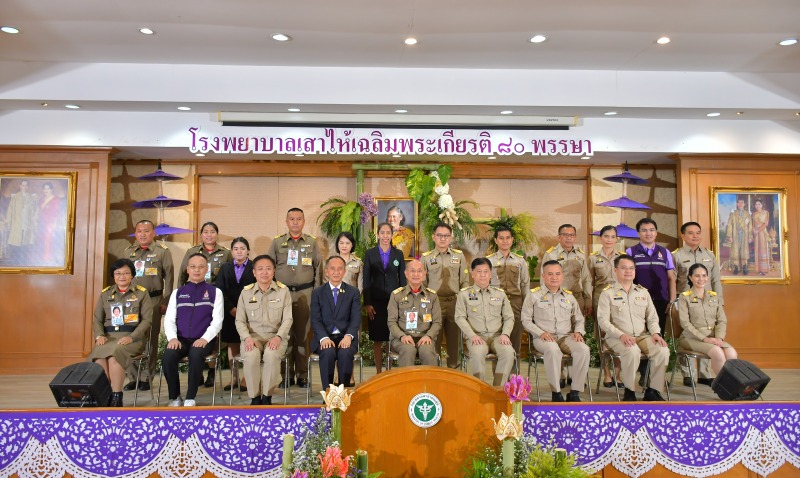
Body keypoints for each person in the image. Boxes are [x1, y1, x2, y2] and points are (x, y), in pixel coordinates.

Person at [597, 255, 669, 401]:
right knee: (632, 350)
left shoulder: (643, 292)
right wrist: (621, 335)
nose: (628, 271)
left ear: (635, 271)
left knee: (662, 350)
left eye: (631, 268)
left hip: (642, 336)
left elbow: (652, 317)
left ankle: (653, 390)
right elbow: (602, 321)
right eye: (624, 268)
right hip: (617, 337)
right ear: (615, 270)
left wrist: (655, 333)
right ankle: (630, 391)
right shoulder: (607, 293)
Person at [267, 208, 322, 389]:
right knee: (284, 335)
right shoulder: (277, 243)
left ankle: (303, 375)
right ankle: (286, 375)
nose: (295, 222)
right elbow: (268, 269)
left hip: (305, 294)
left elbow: (319, 270)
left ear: (304, 221)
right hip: (281, 295)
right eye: (292, 219)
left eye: (299, 219)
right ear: (286, 221)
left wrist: (316, 295)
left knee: (303, 336)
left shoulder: (312, 243)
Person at [521, 260, 589, 402]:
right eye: (550, 274)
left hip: (565, 337)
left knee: (583, 349)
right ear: (543, 276)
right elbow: (525, 320)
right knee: (553, 350)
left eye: (558, 274)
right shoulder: (533, 295)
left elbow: (579, 319)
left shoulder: (569, 297)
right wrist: (541, 333)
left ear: (562, 276)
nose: (554, 277)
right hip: (543, 338)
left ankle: (575, 392)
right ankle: (556, 392)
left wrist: (578, 332)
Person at [88, 259, 153, 407]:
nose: (122, 276)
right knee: (98, 355)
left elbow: (147, 321)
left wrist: (131, 337)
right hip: (108, 337)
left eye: (126, 273)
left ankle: (117, 396)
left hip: (133, 338)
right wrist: (99, 335)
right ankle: (106, 393)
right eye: (118, 273)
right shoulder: (106, 294)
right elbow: (97, 319)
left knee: (114, 354)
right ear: (113, 276)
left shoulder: (142, 294)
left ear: (132, 275)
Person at [162, 253, 224, 407]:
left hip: (203, 339)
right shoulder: (178, 293)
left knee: (196, 354)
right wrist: (172, 339)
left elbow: (217, 321)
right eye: (193, 267)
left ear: (206, 269)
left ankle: (190, 397)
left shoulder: (215, 292)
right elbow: (169, 320)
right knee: (168, 357)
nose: (197, 270)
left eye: (201, 267)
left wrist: (204, 339)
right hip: (181, 340)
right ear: (187, 270)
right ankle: (175, 397)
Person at [123, 219, 174, 392]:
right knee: (130, 337)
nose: (143, 234)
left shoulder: (162, 252)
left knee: (150, 340)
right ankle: (132, 376)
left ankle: (146, 377)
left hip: (153, 300)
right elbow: (123, 276)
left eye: (146, 231)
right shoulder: (128, 251)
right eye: (139, 231)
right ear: (135, 233)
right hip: (131, 301)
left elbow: (169, 278)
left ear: (154, 233)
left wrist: (166, 301)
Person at [671, 221, 724, 386]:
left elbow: (715, 279)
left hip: (707, 301)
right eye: (691, 233)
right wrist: (672, 301)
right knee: (687, 333)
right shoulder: (676, 255)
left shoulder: (709, 254)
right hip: (684, 301)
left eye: (698, 233)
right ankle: (688, 374)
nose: (695, 236)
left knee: (707, 331)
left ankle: (704, 373)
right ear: (683, 236)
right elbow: (671, 280)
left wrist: (720, 301)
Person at [236, 254, 293, 405]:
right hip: (252, 337)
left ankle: (267, 397)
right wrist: (247, 338)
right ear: (254, 272)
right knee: (251, 356)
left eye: (268, 269)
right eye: (260, 269)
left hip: (276, 337)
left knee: (271, 354)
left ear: (274, 271)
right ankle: (255, 398)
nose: (264, 272)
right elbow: (240, 320)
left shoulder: (283, 291)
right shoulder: (245, 292)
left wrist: (279, 337)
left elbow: (288, 319)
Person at [454, 258, 515, 386]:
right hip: (476, 336)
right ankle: (480, 389)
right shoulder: (464, 295)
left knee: (509, 352)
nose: (482, 275)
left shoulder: (500, 294)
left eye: (486, 271)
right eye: (479, 271)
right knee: (476, 353)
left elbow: (509, 317)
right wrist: (472, 336)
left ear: (490, 273)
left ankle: (498, 390)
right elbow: (459, 317)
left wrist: (505, 334)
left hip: (498, 336)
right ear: (472, 273)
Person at [310, 256, 362, 391]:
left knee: (345, 353)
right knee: (327, 352)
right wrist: (324, 337)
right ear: (327, 271)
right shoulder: (317, 292)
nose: (336, 272)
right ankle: (328, 393)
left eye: (340, 269)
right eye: (332, 269)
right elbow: (315, 319)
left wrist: (349, 336)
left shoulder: (353, 292)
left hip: (345, 337)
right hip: (324, 337)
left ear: (344, 272)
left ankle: (341, 393)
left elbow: (356, 318)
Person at [422, 223, 469, 368]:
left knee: (454, 341)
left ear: (451, 237)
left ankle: (453, 371)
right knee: (433, 338)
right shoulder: (426, 258)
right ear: (433, 237)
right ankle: (435, 371)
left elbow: (465, 282)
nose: (443, 239)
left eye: (446, 236)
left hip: (454, 303)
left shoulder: (459, 256)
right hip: (434, 304)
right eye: (440, 235)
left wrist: (463, 304)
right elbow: (423, 284)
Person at [677, 263, 738, 377]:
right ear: (690, 277)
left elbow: (721, 321)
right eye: (697, 276)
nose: (701, 279)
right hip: (691, 337)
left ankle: (732, 386)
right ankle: (725, 387)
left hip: (713, 338)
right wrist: (704, 338)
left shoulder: (713, 296)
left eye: (704, 275)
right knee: (717, 353)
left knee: (731, 352)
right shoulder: (684, 297)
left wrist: (719, 338)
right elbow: (685, 323)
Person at [363, 222, 406, 373]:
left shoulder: (398, 254)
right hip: (375, 302)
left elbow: (403, 280)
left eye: (388, 233)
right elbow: (366, 280)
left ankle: (388, 372)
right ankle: (378, 372)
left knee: (391, 338)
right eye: (383, 233)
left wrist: (403, 301)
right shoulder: (370, 254)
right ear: (378, 234)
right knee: (378, 338)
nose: (386, 236)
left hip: (394, 302)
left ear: (392, 234)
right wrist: (367, 303)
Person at [215, 236, 256, 392]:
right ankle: (233, 377)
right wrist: (231, 309)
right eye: (236, 249)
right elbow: (219, 291)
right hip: (230, 312)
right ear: (231, 251)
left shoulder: (254, 267)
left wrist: (245, 311)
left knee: (247, 344)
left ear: (248, 251)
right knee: (232, 345)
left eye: (243, 248)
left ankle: (246, 378)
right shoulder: (225, 268)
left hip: (250, 314)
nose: (239, 252)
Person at [587, 225, 623, 388]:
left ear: (617, 239)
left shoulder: (622, 257)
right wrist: (588, 301)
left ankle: (618, 374)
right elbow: (588, 281)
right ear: (600, 238)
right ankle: (607, 374)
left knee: (619, 334)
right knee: (602, 336)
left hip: (619, 298)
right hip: (600, 297)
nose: (609, 239)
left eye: (612, 236)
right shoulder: (593, 258)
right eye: (606, 236)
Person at [388, 259, 443, 367]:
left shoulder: (432, 296)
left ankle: (429, 384)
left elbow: (437, 322)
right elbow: (391, 322)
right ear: (406, 274)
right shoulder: (396, 295)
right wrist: (402, 336)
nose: (416, 274)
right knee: (408, 350)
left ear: (424, 274)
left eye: (419, 271)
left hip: (424, 337)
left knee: (427, 352)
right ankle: (407, 384)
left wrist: (429, 336)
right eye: (412, 271)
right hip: (403, 338)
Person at [487, 225, 530, 358]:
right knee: (498, 339)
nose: (505, 241)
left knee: (515, 338)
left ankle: (514, 377)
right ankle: (499, 378)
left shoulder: (520, 261)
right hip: (496, 303)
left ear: (512, 240)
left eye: (507, 238)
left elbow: (525, 284)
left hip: (516, 302)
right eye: (501, 238)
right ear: (495, 240)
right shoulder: (489, 261)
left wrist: (527, 307)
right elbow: (485, 285)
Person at [541, 224, 592, 316]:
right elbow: (543, 279)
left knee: (578, 327)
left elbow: (586, 279)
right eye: (565, 235)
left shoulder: (580, 255)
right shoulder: (550, 255)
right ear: (559, 237)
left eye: (571, 235)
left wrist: (588, 300)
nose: (569, 238)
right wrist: (545, 299)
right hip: (557, 298)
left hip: (577, 298)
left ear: (575, 237)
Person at [178, 221, 232, 286]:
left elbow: (231, 276)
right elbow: (182, 275)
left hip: (218, 291)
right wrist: (180, 292)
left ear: (217, 235)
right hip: (196, 290)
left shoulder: (226, 253)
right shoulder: (192, 251)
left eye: (212, 232)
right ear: (201, 235)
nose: (209, 235)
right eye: (206, 232)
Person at [5, 179, 38, 263]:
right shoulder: (15, 197)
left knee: (26, 242)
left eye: (26, 185)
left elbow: (35, 211)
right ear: (20, 186)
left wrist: (34, 222)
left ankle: (24, 261)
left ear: (28, 187)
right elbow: (10, 210)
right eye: (23, 185)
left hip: (27, 223)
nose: (24, 187)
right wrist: (8, 222)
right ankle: (16, 261)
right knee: (16, 242)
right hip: (17, 223)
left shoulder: (32, 198)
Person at [38, 182, 65, 264]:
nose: (46, 190)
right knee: (41, 241)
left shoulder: (55, 199)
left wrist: (54, 223)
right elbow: (40, 211)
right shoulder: (41, 199)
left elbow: (57, 213)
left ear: (51, 190)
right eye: (44, 188)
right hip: (41, 223)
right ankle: (42, 258)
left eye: (48, 188)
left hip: (50, 223)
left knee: (49, 241)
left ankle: (48, 259)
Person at [724, 196, 752, 275]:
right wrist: (730, 236)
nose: (740, 204)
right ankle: (736, 267)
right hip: (735, 234)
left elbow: (750, 226)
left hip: (744, 235)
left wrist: (750, 236)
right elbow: (729, 224)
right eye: (739, 202)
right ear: (737, 203)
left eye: (742, 202)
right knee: (735, 251)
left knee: (744, 251)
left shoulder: (747, 214)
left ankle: (744, 267)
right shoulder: (733, 213)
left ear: (744, 204)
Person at [752, 199, 771, 275]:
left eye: (759, 204)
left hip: (762, 232)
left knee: (763, 249)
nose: (757, 205)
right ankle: (759, 269)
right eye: (756, 204)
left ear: (762, 205)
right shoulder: (754, 213)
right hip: (756, 234)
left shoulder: (766, 212)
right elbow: (753, 224)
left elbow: (766, 224)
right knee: (757, 249)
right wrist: (754, 230)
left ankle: (764, 270)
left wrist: (758, 230)